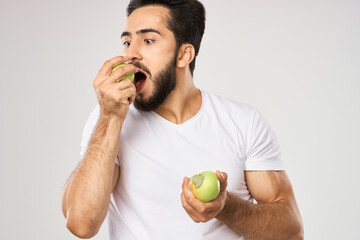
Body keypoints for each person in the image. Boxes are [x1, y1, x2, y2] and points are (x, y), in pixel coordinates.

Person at [62, 0, 304, 239]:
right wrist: (110, 118)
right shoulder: (109, 120)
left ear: (184, 54)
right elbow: (82, 223)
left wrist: (225, 207)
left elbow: (291, 231)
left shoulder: (243, 122)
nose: (130, 54)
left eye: (148, 40)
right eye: (127, 41)